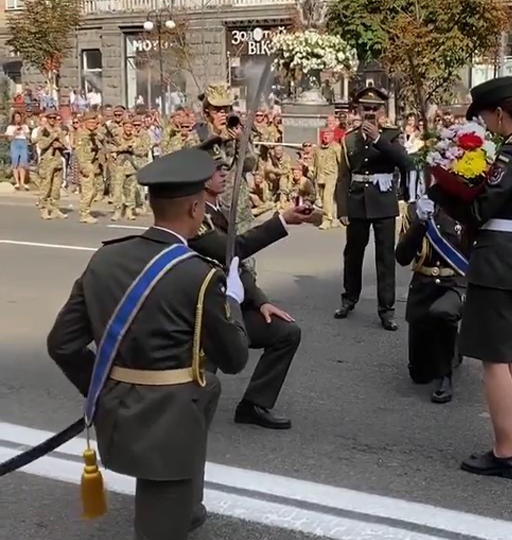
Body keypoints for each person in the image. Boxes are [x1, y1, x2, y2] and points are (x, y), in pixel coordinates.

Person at [46, 145, 250, 540]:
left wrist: (103, 390)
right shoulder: (200, 275)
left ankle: (188, 507)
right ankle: (181, 511)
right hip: (170, 421)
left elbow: (62, 344)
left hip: (119, 407)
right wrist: (234, 302)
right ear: (195, 209)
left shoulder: (105, 259)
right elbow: (235, 356)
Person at [429, 76, 512, 479]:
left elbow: (480, 211)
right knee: (511, 359)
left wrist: (445, 190)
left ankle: (505, 453)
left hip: (496, 259)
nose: (485, 125)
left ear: (498, 112)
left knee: (495, 362)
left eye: (484, 116)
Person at [188, 138, 313, 428]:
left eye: (223, 167)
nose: (223, 173)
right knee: (198, 389)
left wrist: (261, 301)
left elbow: (236, 267)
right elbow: (233, 251)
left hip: (232, 307)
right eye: (216, 169)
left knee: (286, 332)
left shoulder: (218, 210)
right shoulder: (196, 217)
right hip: (207, 313)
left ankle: (254, 405)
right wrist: (282, 221)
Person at [334, 87, 410, 331]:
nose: (369, 112)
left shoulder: (392, 134)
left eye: (374, 108)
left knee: (385, 257)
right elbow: (344, 176)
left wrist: (378, 138)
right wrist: (342, 208)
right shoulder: (349, 138)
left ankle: (386, 309)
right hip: (357, 200)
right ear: (358, 110)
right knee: (353, 253)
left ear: (382, 111)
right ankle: (349, 298)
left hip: (383, 201)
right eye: (365, 108)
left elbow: (404, 161)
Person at [395, 199, 468, 403]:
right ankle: (454, 345)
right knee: (419, 374)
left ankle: (446, 375)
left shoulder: (466, 206)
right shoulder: (414, 209)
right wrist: (420, 223)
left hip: (454, 283)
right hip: (423, 285)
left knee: (443, 313)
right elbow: (402, 257)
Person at [195, 83, 256, 235]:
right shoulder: (198, 136)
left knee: (242, 253)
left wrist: (242, 141)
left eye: (226, 110)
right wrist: (217, 138)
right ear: (206, 112)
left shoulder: (236, 132)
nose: (223, 114)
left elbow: (249, 165)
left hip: (238, 206)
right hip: (210, 208)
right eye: (217, 110)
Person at [74, 111, 105, 224]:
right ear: (85, 122)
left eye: (94, 122)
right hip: (86, 164)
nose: (93, 124)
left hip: (94, 165)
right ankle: (84, 214)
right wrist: (83, 167)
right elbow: (80, 152)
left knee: (94, 190)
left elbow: (102, 140)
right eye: (90, 122)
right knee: (88, 191)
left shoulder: (93, 134)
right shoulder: (82, 135)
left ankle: (86, 210)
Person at [37, 110, 68, 220]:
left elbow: (66, 146)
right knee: (45, 187)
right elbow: (41, 145)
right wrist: (51, 139)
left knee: (56, 188)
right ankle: (44, 209)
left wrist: (60, 145)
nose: (52, 120)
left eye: (54, 118)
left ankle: (55, 208)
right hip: (47, 161)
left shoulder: (59, 131)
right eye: (50, 118)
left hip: (57, 161)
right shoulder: (43, 130)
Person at [5, 111, 30, 191]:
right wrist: (15, 133)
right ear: (13, 118)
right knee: (15, 162)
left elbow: (28, 137)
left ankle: (22, 182)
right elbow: (9, 139)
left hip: (23, 143)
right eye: (16, 117)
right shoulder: (10, 127)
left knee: (23, 163)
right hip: (15, 143)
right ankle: (17, 182)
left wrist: (24, 131)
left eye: (19, 117)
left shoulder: (25, 126)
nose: (18, 119)